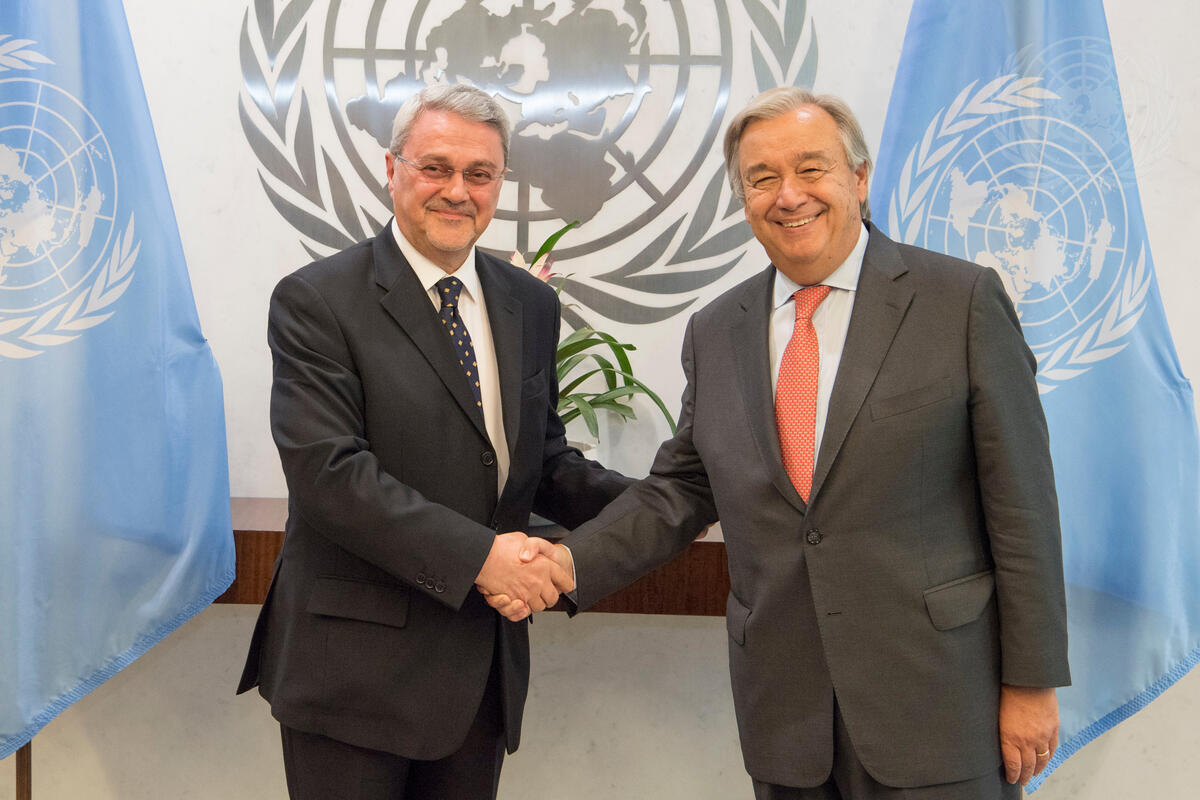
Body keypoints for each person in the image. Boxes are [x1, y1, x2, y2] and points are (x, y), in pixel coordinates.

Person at [490, 87, 1070, 799]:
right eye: (762, 178)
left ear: (859, 177)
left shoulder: (961, 302)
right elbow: (682, 488)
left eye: (811, 169)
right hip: (788, 714)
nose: (788, 195)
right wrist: (568, 563)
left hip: (938, 704)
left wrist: (1032, 682)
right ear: (745, 201)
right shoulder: (717, 329)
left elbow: (1023, 508)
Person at [237, 83, 630, 800]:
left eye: (480, 173)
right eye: (436, 168)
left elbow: (540, 461)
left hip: (477, 673)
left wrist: (665, 500)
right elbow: (330, 478)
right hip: (351, 677)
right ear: (392, 170)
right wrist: (484, 558)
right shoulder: (317, 299)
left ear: (500, 183)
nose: (457, 190)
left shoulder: (529, 302)